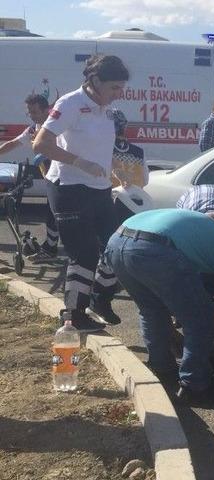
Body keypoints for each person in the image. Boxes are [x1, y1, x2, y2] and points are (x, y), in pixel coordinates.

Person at [32, 54, 129, 332]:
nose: (118, 94)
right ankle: (74, 315)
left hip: (99, 188)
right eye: (114, 88)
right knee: (84, 253)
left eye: (121, 88)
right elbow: (41, 144)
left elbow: (100, 145)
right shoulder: (71, 103)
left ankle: (100, 298)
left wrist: (115, 169)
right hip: (69, 186)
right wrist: (78, 162)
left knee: (116, 248)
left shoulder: (106, 109)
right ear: (95, 81)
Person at [104, 208, 214, 401]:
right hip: (154, 250)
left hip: (116, 243)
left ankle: (162, 370)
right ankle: (194, 385)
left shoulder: (193, 227)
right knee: (200, 318)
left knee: (151, 309)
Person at [0, 93, 59, 263]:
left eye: (34, 112)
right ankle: (50, 247)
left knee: (57, 214)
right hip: (50, 176)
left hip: (65, 177)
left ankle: (54, 249)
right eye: (29, 113)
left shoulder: (56, 126)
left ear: (46, 110)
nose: (32, 116)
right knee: (52, 213)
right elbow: (13, 143)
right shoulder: (34, 128)